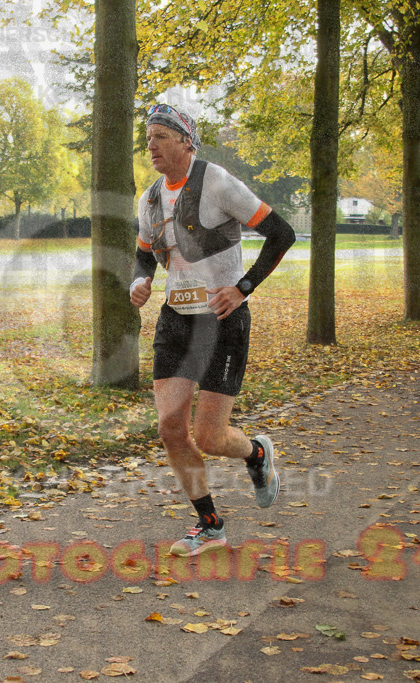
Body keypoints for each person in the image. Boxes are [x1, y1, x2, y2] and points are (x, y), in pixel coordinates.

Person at [129, 103, 296, 557]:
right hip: (175, 321)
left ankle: (256, 454)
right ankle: (210, 525)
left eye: (161, 135)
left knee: (210, 437)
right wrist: (139, 282)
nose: (151, 144)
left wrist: (243, 288)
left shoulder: (217, 183)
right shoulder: (148, 199)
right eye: (148, 136)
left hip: (222, 322)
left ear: (186, 141)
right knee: (169, 428)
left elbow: (282, 233)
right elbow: (144, 254)